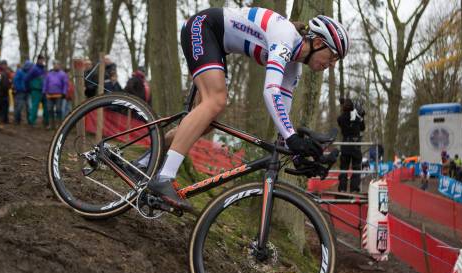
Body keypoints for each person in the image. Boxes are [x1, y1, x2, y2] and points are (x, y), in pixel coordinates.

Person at [146, 8, 350, 210]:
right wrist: (292, 138)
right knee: (215, 101)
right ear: (317, 43)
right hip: (203, 27)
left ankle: (147, 160)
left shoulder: (293, 65)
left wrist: (294, 153)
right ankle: (164, 177)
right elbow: (270, 91)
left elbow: (283, 110)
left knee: (206, 123)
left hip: (216, 41)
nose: (332, 65)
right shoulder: (285, 36)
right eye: (332, 57)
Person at [337, 98, 365, 193]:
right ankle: (354, 190)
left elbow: (340, 122)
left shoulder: (341, 118)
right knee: (356, 168)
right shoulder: (357, 117)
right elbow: (363, 128)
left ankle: (342, 189)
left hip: (345, 145)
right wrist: (360, 116)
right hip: (355, 146)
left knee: (344, 168)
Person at [42, 60, 68, 129]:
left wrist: (64, 92)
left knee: (58, 110)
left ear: (59, 65)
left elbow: (65, 84)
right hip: (49, 95)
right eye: (54, 64)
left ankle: (58, 125)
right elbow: (45, 83)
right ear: (53, 65)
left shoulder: (63, 74)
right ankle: (51, 124)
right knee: (49, 109)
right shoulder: (49, 74)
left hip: (59, 95)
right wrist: (44, 91)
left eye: (57, 64)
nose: (56, 66)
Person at [24, 55, 46, 127]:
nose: (43, 61)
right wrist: (28, 89)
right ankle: (32, 122)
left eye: (43, 60)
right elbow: (26, 79)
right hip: (35, 90)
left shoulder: (43, 69)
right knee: (34, 106)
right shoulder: (34, 69)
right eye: (41, 60)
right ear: (38, 60)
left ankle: (46, 122)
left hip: (43, 91)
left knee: (46, 107)